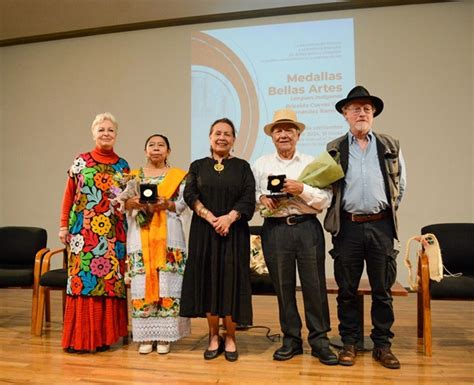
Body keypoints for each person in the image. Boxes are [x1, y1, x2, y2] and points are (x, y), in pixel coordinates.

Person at [324, 86, 406, 369]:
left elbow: (401, 186)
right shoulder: (334, 148)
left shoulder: (390, 145)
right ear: (345, 114)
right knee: (347, 290)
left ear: (373, 115)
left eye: (367, 109)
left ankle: (382, 345)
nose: (361, 113)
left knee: (382, 290)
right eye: (355, 108)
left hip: (380, 226)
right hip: (347, 228)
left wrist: (383, 210)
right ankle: (350, 343)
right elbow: (327, 189)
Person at [252, 108, 338, 365]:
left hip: (307, 227)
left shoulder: (312, 164)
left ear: (298, 134)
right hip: (275, 230)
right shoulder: (261, 164)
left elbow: (325, 199)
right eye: (278, 129)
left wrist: (302, 189)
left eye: (289, 129)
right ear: (272, 136)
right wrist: (262, 199)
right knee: (283, 287)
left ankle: (320, 340)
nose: (283, 134)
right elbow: (252, 196)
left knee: (314, 286)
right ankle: (291, 339)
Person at [180, 118, 255, 362]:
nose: (222, 137)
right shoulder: (197, 165)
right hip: (205, 233)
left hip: (234, 233)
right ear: (210, 137)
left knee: (231, 282)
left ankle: (231, 336)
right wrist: (212, 217)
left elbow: (248, 198)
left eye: (227, 134)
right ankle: (213, 335)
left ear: (234, 139)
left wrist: (229, 219)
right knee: (209, 282)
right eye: (217, 133)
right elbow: (190, 194)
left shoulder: (243, 167)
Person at [59, 112, 129, 353]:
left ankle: (102, 339)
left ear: (116, 134)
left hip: (112, 235)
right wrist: (63, 226)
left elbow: (127, 201)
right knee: (83, 284)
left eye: (110, 130)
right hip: (83, 234)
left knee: (108, 284)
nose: (106, 134)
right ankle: (80, 339)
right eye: (101, 130)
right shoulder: (81, 161)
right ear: (93, 133)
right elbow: (69, 195)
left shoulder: (123, 166)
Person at [121, 134, 190, 354]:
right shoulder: (132, 176)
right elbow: (120, 203)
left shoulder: (178, 176)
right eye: (151, 145)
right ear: (145, 150)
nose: (156, 149)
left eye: (161, 145)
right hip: (140, 234)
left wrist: (167, 204)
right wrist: (133, 202)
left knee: (167, 282)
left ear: (168, 151)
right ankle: (146, 336)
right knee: (142, 279)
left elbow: (183, 204)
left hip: (169, 234)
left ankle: (165, 336)